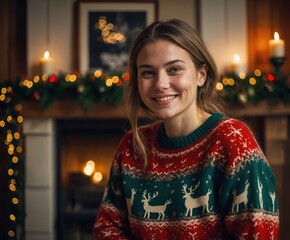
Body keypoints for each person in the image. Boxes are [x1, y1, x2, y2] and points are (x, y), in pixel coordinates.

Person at [93, 19, 279, 239]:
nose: (160, 83)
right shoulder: (131, 146)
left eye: (174, 69)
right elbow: (107, 228)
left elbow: (257, 234)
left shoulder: (233, 141)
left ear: (201, 74)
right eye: (147, 73)